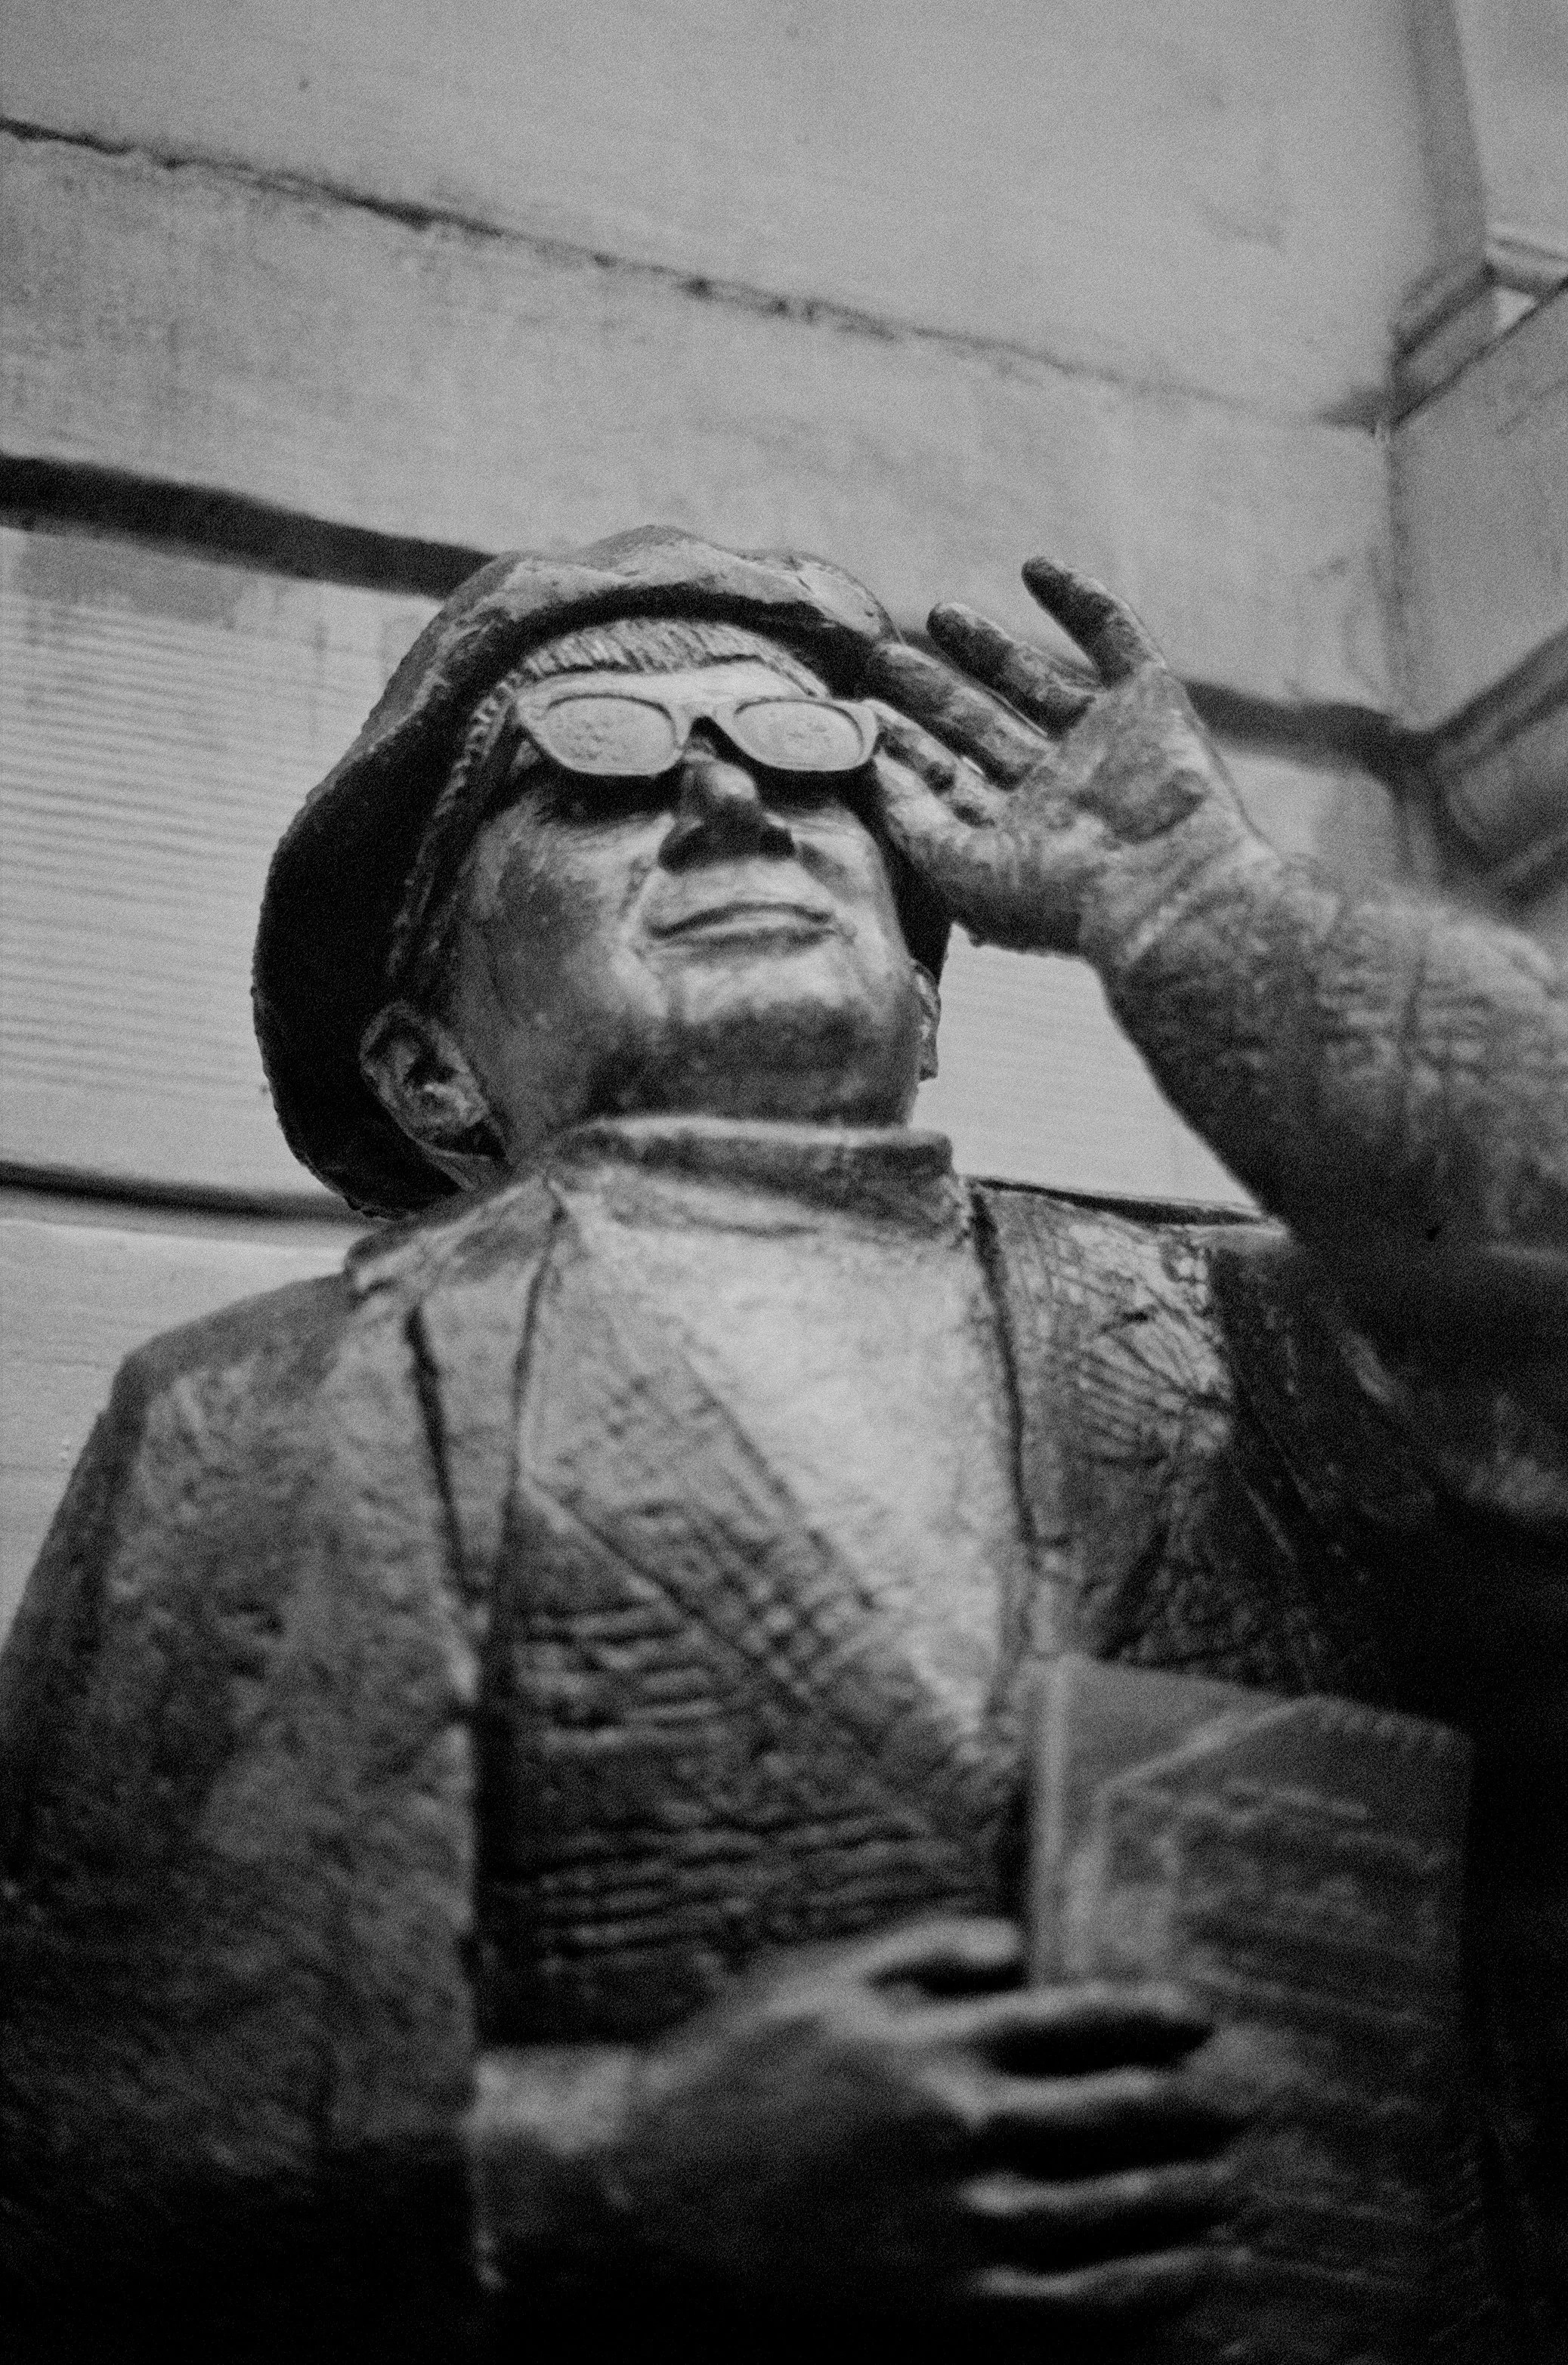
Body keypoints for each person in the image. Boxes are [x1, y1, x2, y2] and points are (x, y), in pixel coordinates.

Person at [1, 527, 1563, 2360]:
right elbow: (73, 2153)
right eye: (587, 771)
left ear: (920, 990)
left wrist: (1197, 903)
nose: (733, 791)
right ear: (430, 1071)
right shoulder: (276, 1404)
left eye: (809, 751)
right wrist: (629, 2161)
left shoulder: (1258, 1340)